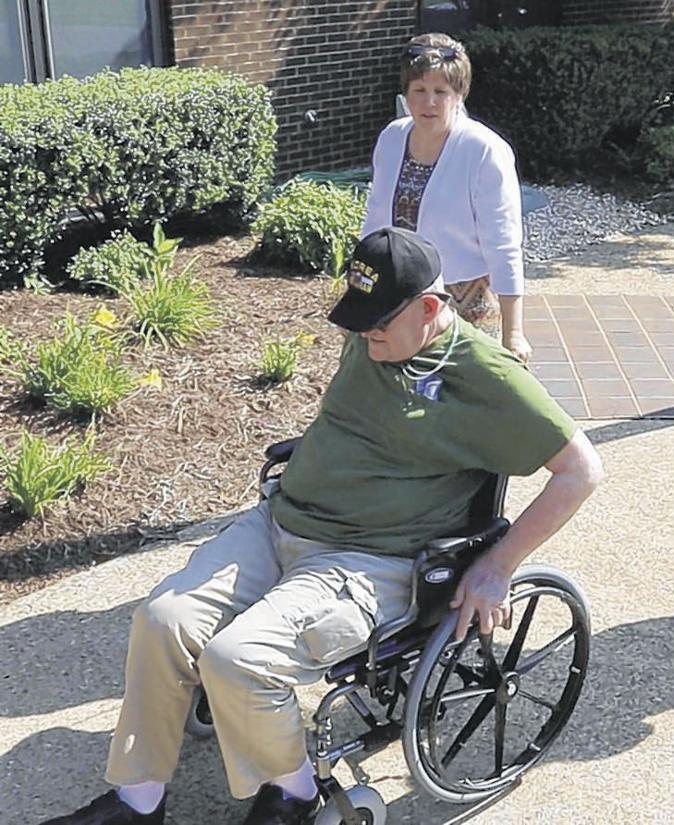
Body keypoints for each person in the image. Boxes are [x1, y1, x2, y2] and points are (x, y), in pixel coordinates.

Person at [42, 227, 603, 825]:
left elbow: (581, 471)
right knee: (161, 620)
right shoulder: (374, 337)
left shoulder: (486, 377)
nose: (364, 334)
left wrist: (497, 566)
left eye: (379, 322)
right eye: (357, 319)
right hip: (281, 523)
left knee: (237, 660)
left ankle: (296, 794)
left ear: (431, 308)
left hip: (370, 562)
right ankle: (139, 801)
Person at [361, 32, 533, 362]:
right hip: (402, 296)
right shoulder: (392, 138)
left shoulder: (484, 150)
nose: (429, 102)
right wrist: (363, 284)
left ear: (459, 94)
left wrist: (514, 333)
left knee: (467, 401)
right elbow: (376, 219)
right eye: (420, 91)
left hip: (466, 302)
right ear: (406, 94)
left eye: (441, 91)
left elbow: (504, 243)